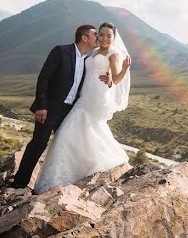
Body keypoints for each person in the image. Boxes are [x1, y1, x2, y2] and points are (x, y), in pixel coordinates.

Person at [33, 21, 132, 194]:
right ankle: (68, 175)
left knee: (89, 128)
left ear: (114, 37)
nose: (104, 38)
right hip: (84, 96)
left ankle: (103, 162)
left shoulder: (113, 53)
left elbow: (115, 79)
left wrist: (121, 71)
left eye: (109, 35)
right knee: (72, 132)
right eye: (101, 34)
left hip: (97, 97)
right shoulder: (94, 52)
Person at [10, 24, 111, 189]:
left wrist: (109, 81)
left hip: (71, 111)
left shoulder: (88, 61)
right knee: (39, 144)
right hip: (49, 108)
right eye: (95, 34)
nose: (98, 38)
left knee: (64, 147)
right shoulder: (61, 51)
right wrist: (41, 106)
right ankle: (19, 183)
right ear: (84, 37)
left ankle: (55, 184)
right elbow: (44, 78)